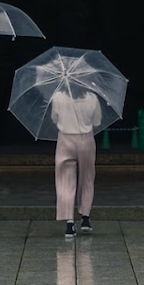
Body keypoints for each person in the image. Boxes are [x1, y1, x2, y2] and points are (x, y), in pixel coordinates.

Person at [50, 86, 101, 239]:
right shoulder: (92, 97)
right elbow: (97, 121)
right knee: (87, 178)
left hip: (65, 139)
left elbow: (54, 118)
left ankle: (70, 223)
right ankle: (85, 217)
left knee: (65, 181)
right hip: (86, 138)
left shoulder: (58, 96)